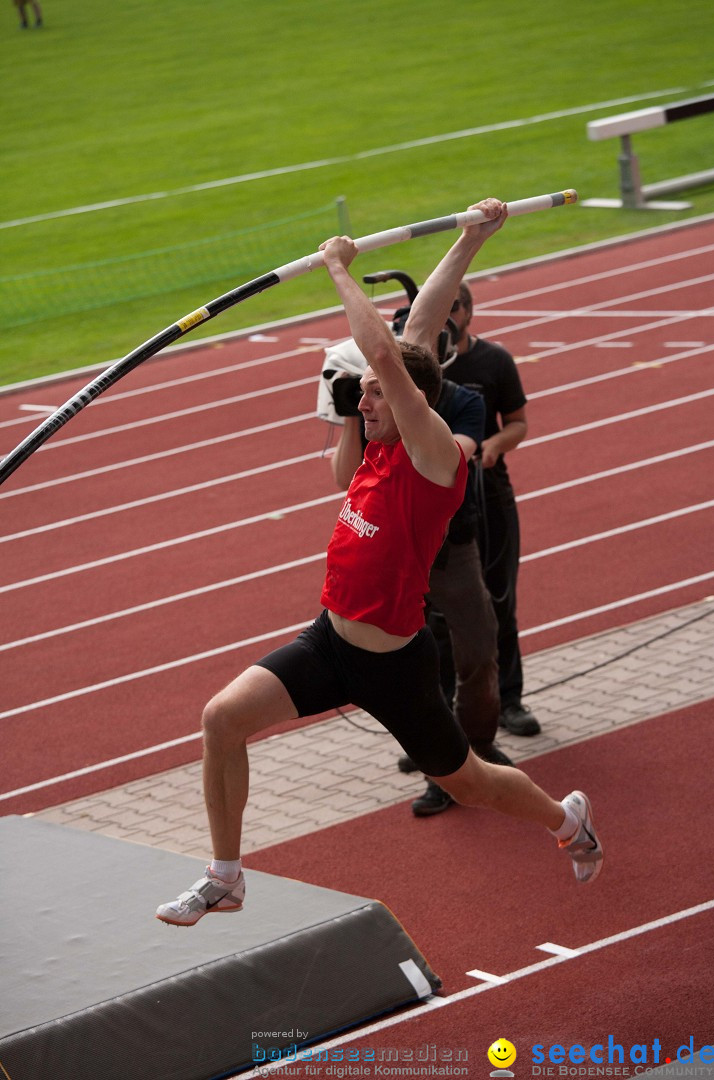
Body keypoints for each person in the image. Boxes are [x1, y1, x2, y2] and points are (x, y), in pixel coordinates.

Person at [156, 200, 603, 927]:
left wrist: (338, 269)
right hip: (330, 639)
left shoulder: (430, 459)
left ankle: (567, 821)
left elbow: (395, 360)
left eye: (369, 392)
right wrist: (470, 239)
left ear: (408, 401)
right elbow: (416, 330)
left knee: (471, 785)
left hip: (394, 664)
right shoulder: (390, 436)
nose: (358, 401)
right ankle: (226, 876)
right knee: (221, 719)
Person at [330, 371, 513, 818]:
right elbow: (345, 477)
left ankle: (479, 744)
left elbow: (459, 453)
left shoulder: (464, 400)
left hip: (455, 548)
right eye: (367, 390)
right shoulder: (381, 415)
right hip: (402, 556)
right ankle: (438, 762)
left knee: (477, 646)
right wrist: (350, 418)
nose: (370, 398)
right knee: (420, 659)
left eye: (381, 389)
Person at [407, 273, 541, 736]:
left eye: (454, 310)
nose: (447, 320)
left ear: (468, 311)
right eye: (439, 311)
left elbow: (519, 423)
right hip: (437, 513)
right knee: (435, 624)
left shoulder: (494, 361)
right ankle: (443, 722)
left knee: (498, 602)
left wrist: (495, 445)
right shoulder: (418, 374)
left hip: (489, 495)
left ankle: (509, 702)